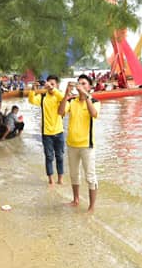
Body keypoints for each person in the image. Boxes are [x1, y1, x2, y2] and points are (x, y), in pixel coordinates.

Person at [58, 74, 101, 212]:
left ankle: (91, 206)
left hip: (87, 146)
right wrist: (66, 94)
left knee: (90, 176)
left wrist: (85, 95)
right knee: (74, 174)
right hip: (72, 144)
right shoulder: (72, 101)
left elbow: (93, 113)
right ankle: (75, 200)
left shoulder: (94, 101)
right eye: (79, 83)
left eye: (84, 83)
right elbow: (60, 112)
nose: (81, 86)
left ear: (89, 87)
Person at [27, 76, 65, 184]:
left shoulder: (59, 96)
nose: (50, 86)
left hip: (59, 131)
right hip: (46, 132)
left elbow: (63, 98)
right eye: (49, 84)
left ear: (57, 85)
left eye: (53, 84)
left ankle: (60, 179)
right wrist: (33, 88)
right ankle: (51, 180)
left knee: (60, 156)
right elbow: (31, 100)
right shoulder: (43, 97)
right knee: (49, 157)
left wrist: (53, 89)